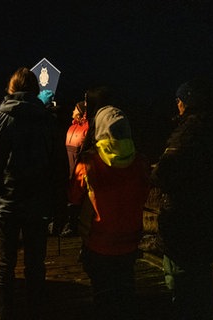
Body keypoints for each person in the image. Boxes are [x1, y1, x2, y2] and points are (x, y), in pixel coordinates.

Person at [0, 67, 69, 320]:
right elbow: (60, 169)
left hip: (6, 204)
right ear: (35, 90)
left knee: (5, 264)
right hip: (39, 205)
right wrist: (60, 208)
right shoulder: (49, 122)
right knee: (35, 265)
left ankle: (6, 314)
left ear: (11, 89)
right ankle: (35, 311)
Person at [151, 78, 213, 319]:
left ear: (186, 102)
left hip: (182, 220)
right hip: (204, 217)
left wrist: (153, 172)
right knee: (199, 278)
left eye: (179, 100)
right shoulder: (212, 130)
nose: (177, 105)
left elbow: (165, 171)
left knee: (182, 280)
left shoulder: (186, 133)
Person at [69, 105, 150, 319]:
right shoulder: (140, 162)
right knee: (125, 291)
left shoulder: (89, 162)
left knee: (102, 294)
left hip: (98, 241)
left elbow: (74, 197)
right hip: (130, 241)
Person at [61, 101, 89, 237]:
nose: (72, 110)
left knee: (76, 196)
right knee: (69, 195)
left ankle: (73, 225)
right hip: (68, 165)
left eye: (75, 108)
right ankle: (67, 222)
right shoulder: (72, 127)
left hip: (78, 165)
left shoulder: (87, 128)